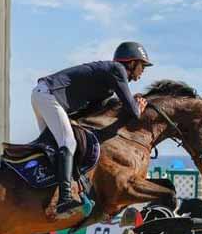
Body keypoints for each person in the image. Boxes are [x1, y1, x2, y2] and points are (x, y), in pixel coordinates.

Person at [31, 41, 152, 214]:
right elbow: (133, 111)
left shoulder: (107, 85)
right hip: (48, 96)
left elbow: (91, 112)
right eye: (142, 66)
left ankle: (48, 193)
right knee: (68, 142)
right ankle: (65, 199)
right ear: (132, 63)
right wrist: (138, 107)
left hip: (43, 95)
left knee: (55, 148)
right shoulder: (117, 69)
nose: (143, 71)